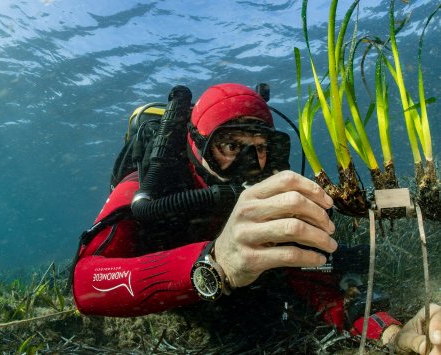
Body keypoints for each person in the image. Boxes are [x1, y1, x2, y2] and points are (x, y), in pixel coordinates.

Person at [73, 83, 441, 354]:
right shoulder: (150, 187)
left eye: (261, 147)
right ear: (197, 144)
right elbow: (87, 284)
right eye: (230, 145)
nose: (251, 162)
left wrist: (389, 332)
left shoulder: (274, 192)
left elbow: (316, 286)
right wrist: (214, 264)